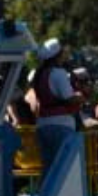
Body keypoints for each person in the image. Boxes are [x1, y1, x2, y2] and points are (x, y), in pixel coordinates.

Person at [32, 38, 83, 170]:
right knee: (64, 168)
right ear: (57, 55)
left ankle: (44, 191)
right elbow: (68, 98)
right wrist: (80, 97)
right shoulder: (58, 73)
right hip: (60, 125)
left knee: (49, 168)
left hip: (42, 124)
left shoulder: (39, 74)